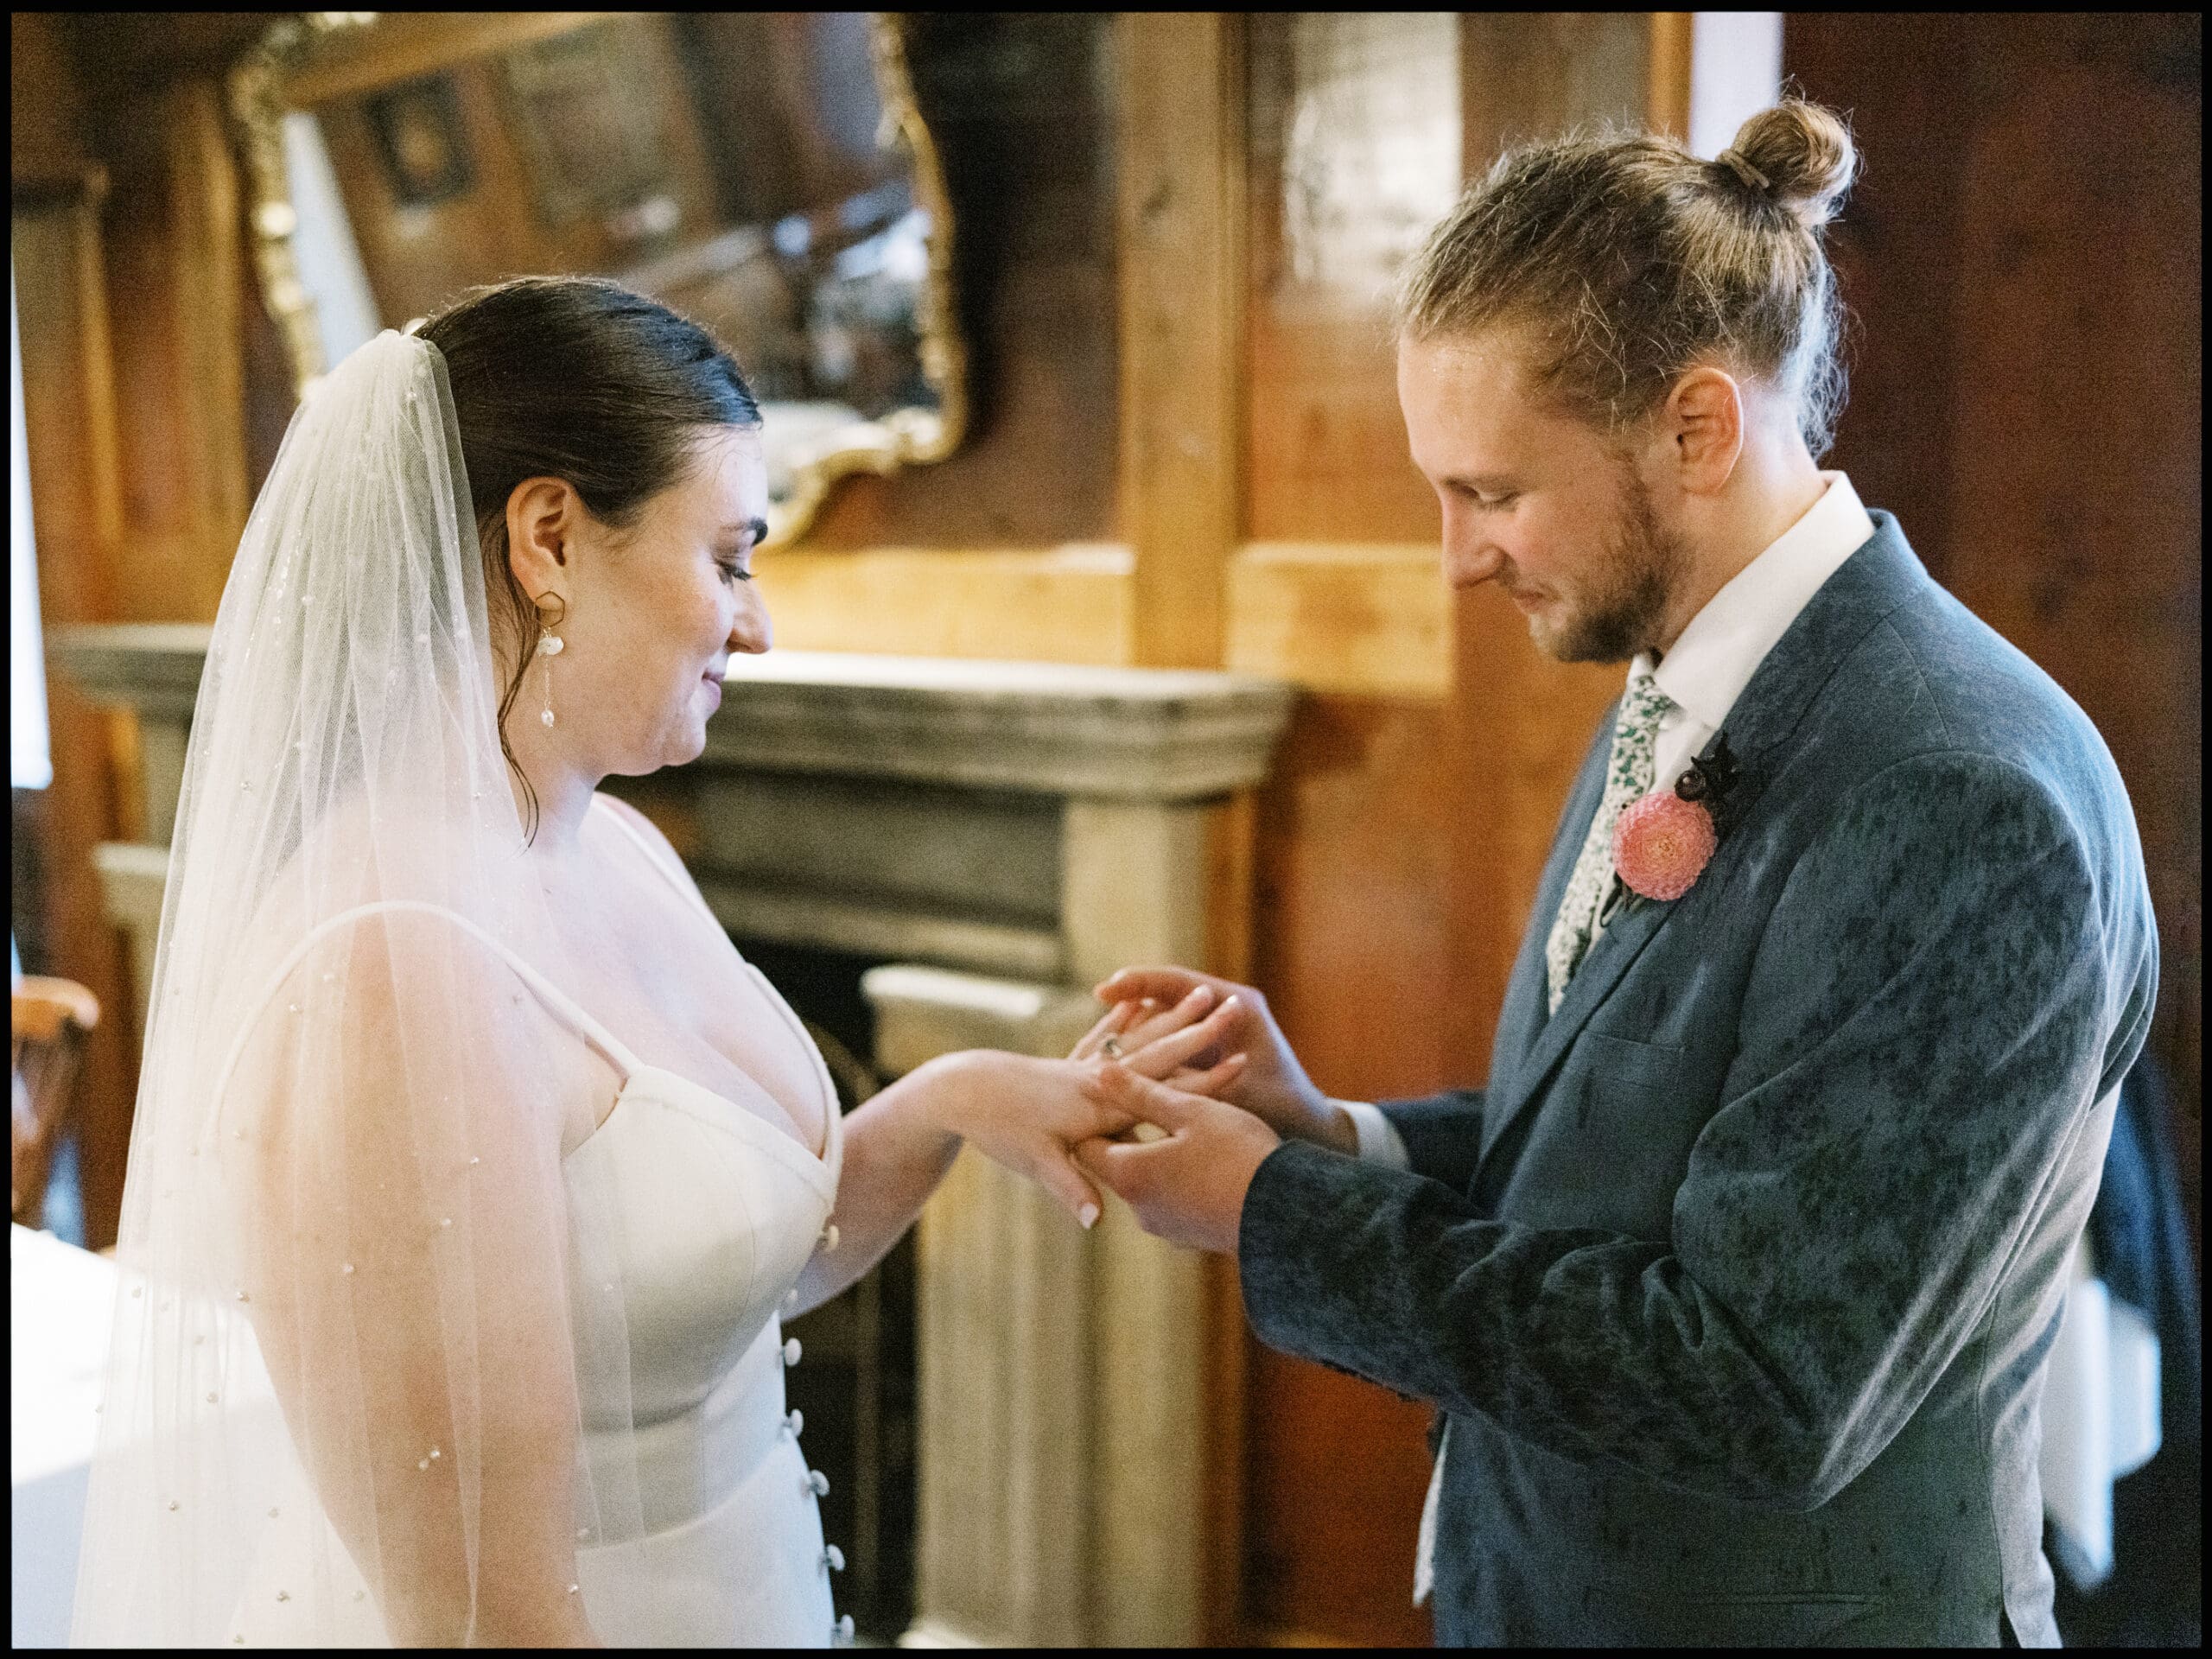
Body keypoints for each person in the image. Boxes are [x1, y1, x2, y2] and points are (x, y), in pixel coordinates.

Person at [1076, 99, 2158, 1645]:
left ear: (1696, 429)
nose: (1456, 556)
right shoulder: (1686, 674)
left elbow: (1763, 1389)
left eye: (1493, 493)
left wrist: (1277, 1217)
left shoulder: (1958, 795)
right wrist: (1331, 1136)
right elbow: (1649, 1156)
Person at [67, 278, 1244, 1649]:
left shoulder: (612, 843)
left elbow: (706, 1282)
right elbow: (484, 1614)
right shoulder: (397, 977)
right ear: (550, 538)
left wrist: (952, 1099)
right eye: (731, 557)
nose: (757, 625)